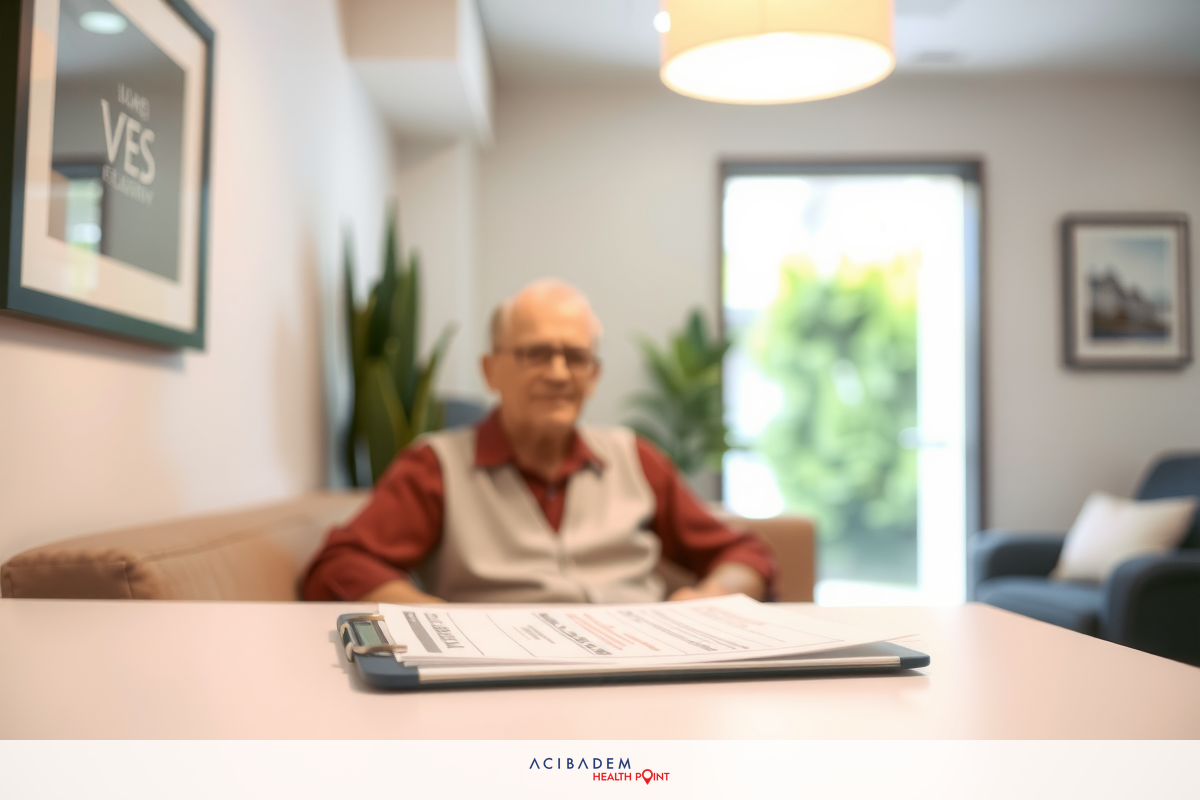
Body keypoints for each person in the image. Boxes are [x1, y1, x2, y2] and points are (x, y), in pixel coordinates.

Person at [302, 279, 774, 604]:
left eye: (575, 356)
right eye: (536, 354)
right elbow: (339, 566)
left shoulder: (638, 459)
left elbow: (745, 555)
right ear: (491, 370)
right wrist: (427, 614)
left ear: (594, 376)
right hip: (497, 687)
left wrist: (710, 599)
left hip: (641, 675)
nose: (558, 373)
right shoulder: (434, 467)